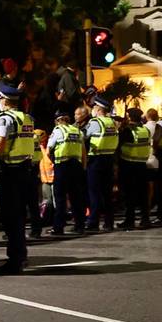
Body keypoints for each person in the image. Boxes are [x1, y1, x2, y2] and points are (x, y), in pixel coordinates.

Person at [0, 84, 33, 274]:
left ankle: (14, 259)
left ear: (5, 100)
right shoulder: (26, 118)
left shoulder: (5, 119)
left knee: (10, 216)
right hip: (25, 170)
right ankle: (21, 255)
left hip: (10, 171)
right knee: (19, 215)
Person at [47, 108, 85, 235]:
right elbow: (83, 151)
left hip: (62, 166)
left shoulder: (58, 130)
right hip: (76, 166)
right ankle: (80, 225)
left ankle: (58, 227)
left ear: (57, 120)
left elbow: (48, 150)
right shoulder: (77, 130)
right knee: (76, 197)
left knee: (60, 198)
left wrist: (52, 160)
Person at [84, 96, 118, 231]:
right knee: (107, 193)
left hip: (96, 160)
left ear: (98, 109)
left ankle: (93, 221)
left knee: (94, 192)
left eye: (94, 107)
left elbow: (84, 136)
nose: (93, 109)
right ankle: (109, 222)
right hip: (109, 159)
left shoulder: (95, 123)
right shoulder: (112, 122)